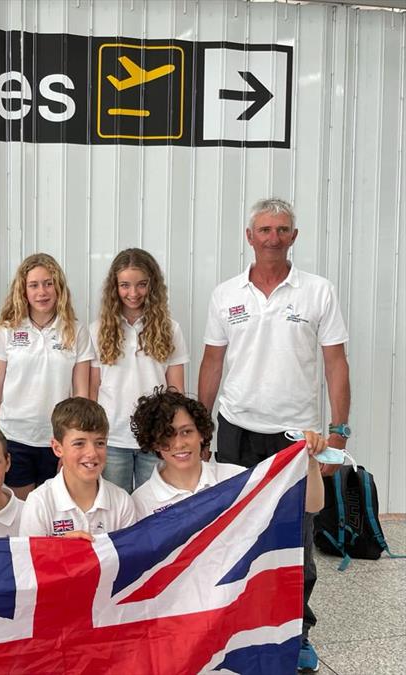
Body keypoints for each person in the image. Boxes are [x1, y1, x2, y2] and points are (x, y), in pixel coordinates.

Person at [197, 197, 351, 673]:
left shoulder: (318, 291)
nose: (273, 238)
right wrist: (203, 430)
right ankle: (234, 625)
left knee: (296, 537)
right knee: (237, 532)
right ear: (249, 237)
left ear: (294, 237)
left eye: (282, 229)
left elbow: (335, 363)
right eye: (264, 229)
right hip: (237, 430)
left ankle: (298, 631)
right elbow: (212, 363)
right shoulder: (226, 294)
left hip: (296, 438)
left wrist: (338, 432)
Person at [0, 253, 94, 500]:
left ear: (58, 288)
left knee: (54, 511)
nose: (42, 292)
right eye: (33, 285)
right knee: (21, 515)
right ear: (23, 291)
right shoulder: (6, 329)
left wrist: (74, 442)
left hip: (57, 439)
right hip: (14, 436)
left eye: (48, 283)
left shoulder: (76, 331)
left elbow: (81, 393)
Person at [129, 387, 325, 521]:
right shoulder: (141, 501)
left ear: (202, 433)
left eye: (186, 431)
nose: (179, 444)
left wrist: (311, 461)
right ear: (153, 443)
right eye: (167, 435)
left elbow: (312, 505)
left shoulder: (236, 478)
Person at [90, 248, 189, 493]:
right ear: (114, 287)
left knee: (153, 510)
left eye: (141, 285)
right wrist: (93, 436)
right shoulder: (97, 330)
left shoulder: (170, 329)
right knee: (115, 510)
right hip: (112, 438)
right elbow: (92, 388)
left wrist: (173, 434)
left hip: (155, 437)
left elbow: (176, 391)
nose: (133, 293)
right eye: (125, 285)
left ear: (152, 285)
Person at [19, 397, 136, 538]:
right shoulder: (39, 503)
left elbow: (130, 558)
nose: (92, 453)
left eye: (100, 443)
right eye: (79, 443)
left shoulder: (122, 501)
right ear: (57, 448)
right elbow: (30, 559)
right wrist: (63, 548)